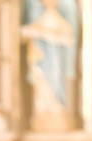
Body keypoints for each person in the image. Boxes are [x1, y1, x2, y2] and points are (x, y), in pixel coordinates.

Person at [21, 0, 79, 131]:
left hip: (56, 61)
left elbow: (69, 37)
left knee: (56, 78)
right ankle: (45, 108)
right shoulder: (37, 14)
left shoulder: (60, 17)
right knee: (41, 84)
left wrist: (49, 34)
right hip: (41, 58)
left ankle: (57, 105)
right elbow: (26, 31)